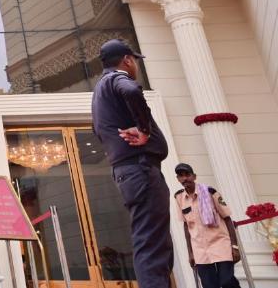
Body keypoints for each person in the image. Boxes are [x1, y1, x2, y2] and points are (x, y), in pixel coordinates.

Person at [91, 38, 173, 288]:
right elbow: (131, 90)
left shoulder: (99, 93)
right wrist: (145, 129)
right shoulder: (116, 79)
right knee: (153, 245)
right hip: (141, 169)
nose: (135, 65)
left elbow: (97, 130)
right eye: (134, 60)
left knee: (151, 242)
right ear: (127, 60)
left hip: (130, 171)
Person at [174, 163, 241, 288]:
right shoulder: (179, 198)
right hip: (200, 250)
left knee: (227, 281)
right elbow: (186, 226)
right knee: (209, 286)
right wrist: (190, 253)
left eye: (187, 175)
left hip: (220, 244)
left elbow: (227, 218)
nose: (184, 178)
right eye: (180, 176)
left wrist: (235, 246)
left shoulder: (210, 192)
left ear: (194, 176)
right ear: (178, 179)